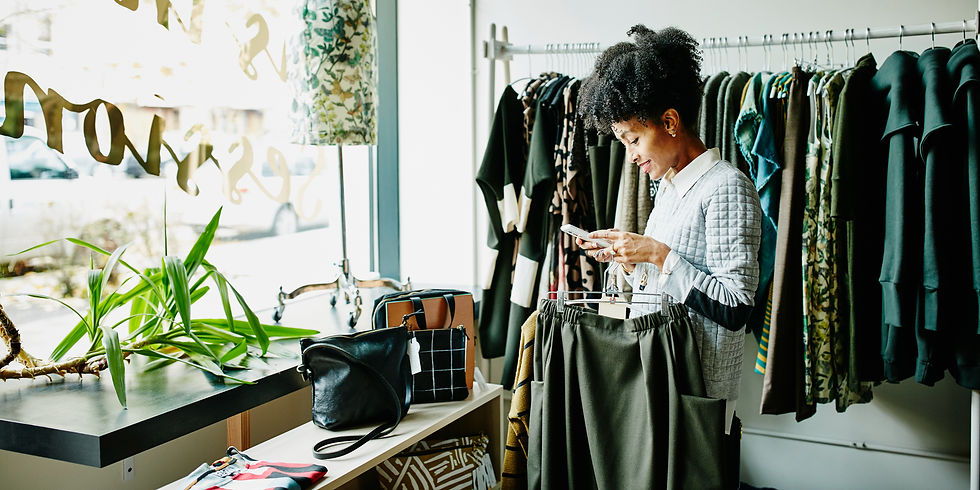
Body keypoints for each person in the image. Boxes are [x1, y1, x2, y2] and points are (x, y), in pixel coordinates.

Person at [576, 24, 762, 434]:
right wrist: (627, 261)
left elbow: (735, 307)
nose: (630, 157)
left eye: (634, 139)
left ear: (671, 121)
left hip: (698, 395)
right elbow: (663, 285)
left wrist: (656, 254)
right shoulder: (669, 188)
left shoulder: (727, 187)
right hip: (659, 381)